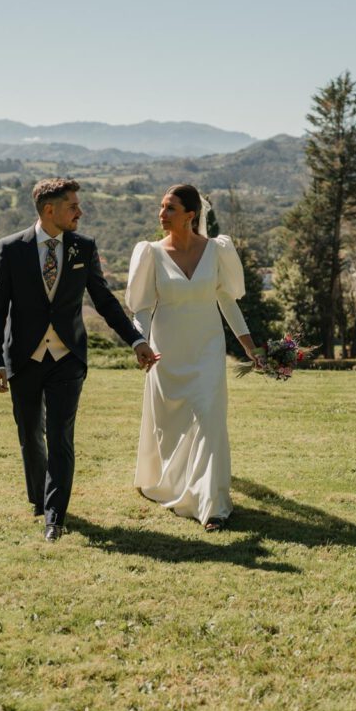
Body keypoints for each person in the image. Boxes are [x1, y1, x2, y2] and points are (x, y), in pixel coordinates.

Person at [0, 178, 156, 541]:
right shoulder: (11, 249)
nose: (80, 212)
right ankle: (39, 499)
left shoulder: (83, 247)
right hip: (24, 358)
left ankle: (54, 517)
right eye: (73, 206)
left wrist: (136, 339)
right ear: (50, 210)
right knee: (30, 435)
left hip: (68, 359)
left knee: (60, 436)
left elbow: (104, 301)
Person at [125, 184, 262, 532]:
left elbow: (228, 301)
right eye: (161, 207)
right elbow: (141, 307)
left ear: (191, 214)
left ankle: (212, 506)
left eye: (170, 208)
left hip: (207, 351)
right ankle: (172, 483)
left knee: (209, 419)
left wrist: (248, 346)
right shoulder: (150, 253)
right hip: (165, 352)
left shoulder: (217, 250)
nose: (162, 214)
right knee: (171, 426)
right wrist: (139, 342)